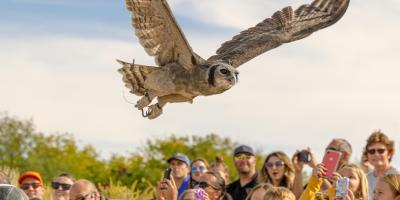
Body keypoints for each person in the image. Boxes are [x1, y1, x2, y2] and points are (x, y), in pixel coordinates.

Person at [299, 163, 368, 200]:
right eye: (340, 175)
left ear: (360, 188)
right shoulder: (324, 197)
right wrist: (315, 181)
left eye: (350, 177)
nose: (343, 178)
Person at [364, 130, 399, 199]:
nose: (376, 154)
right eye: (372, 151)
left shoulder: (397, 174)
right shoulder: (366, 179)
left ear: (389, 153)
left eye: (380, 151)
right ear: (367, 155)